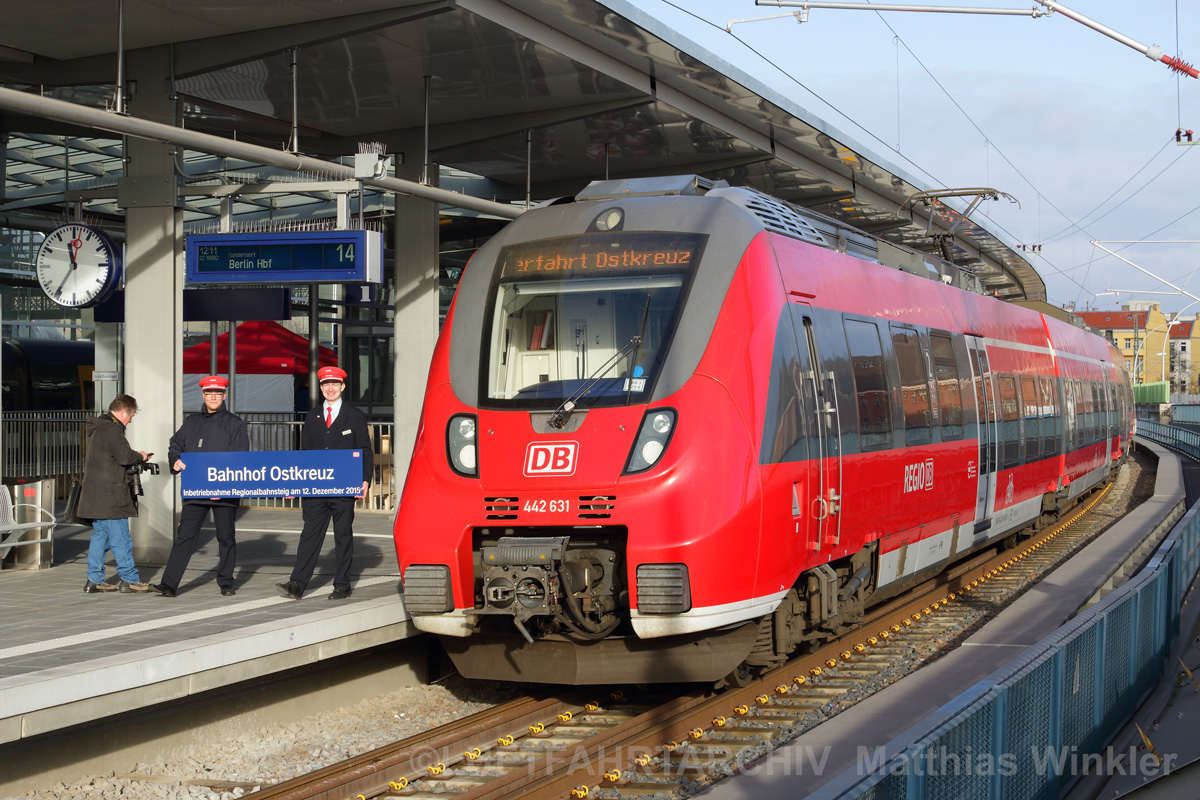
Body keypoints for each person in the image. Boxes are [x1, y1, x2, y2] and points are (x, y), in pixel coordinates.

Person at [276, 366, 372, 600]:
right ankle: (297, 583)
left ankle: (342, 584)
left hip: (343, 487)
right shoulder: (312, 417)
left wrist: (365, 480)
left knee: (342, 535)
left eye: (335, 384)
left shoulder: (355, 416)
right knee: (309, 535)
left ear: (343, 387)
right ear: (320, 388)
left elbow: (365, 451)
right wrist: (296, 483)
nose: (330, 388)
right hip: (316, 488)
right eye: (326, 385)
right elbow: (305, 453)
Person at [150, 375, 249, 598]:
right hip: (196, 490)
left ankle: (226, 581)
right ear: (203, 395)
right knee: (185, 536)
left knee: (225, 537)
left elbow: (241, 458)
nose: (213, 397)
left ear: (224, 395)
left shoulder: (234, 423)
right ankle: (169, 583)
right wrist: (175, 459)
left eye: (218, 393)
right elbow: (175, 444)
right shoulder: (191, 422)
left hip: (224, 491)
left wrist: (223, 487)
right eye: (209, 393)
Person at [77, 394, 153, 594]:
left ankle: (94, 579)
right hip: (111, 494)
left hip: (96, 493)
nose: (130, 420)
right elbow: (125, 456)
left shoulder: (99, 427)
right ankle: (130, 579)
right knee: (121, 539)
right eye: (131, 416)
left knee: (100, 537)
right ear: (122, 412)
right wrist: (141, 456)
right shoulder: (111, 429)